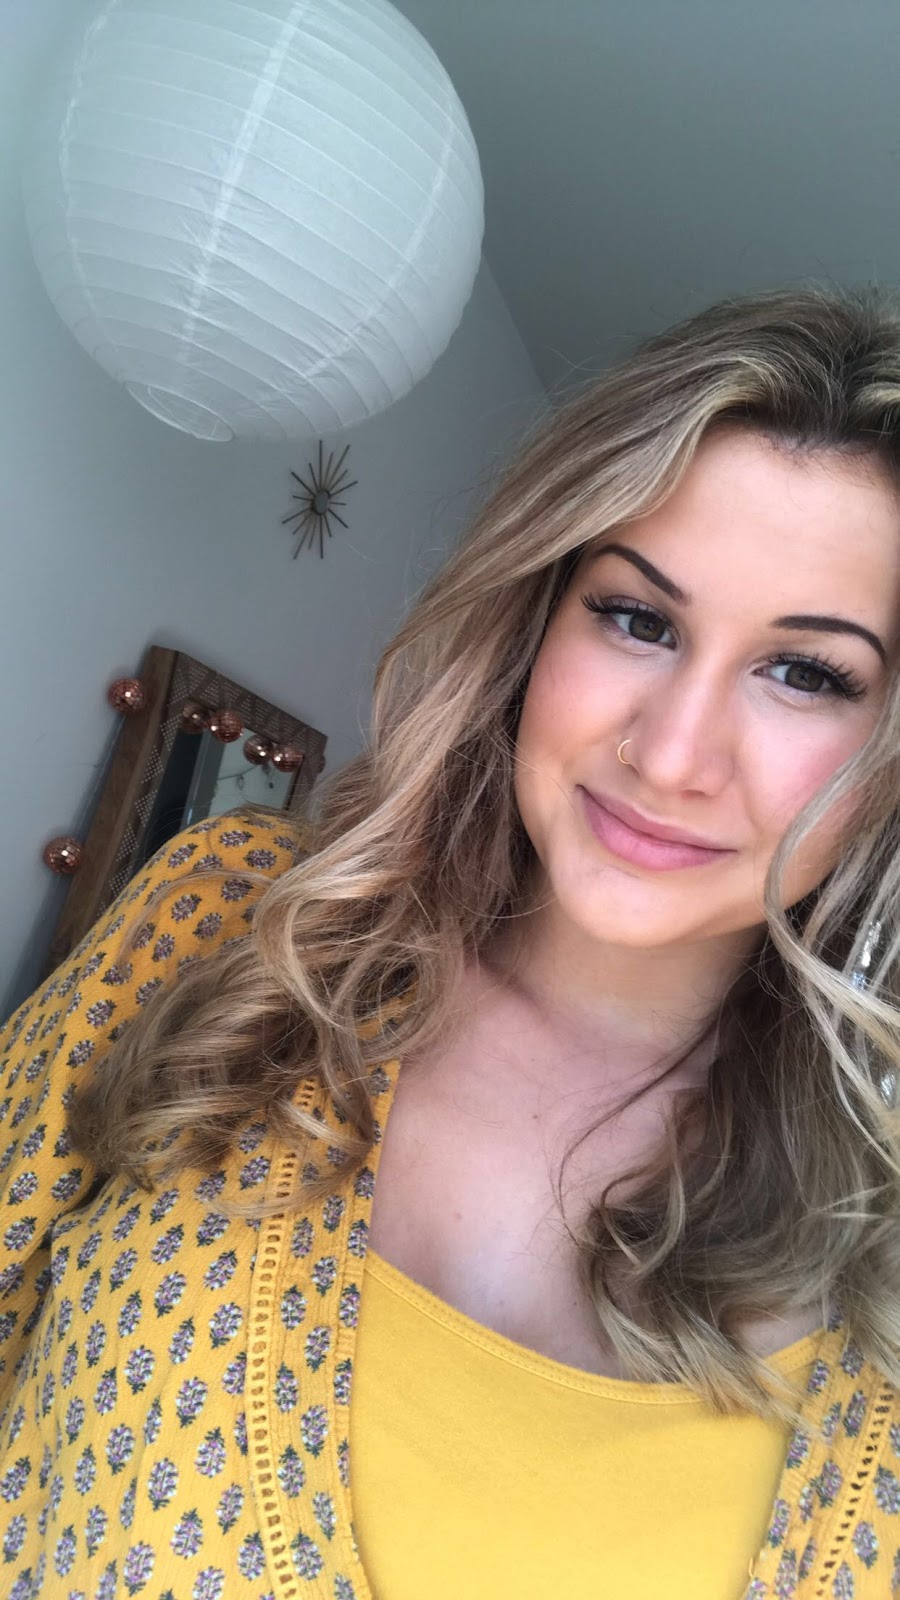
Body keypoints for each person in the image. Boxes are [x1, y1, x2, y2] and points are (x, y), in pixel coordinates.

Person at [3, 284, 900, 1600]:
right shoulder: (228, 923)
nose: (671, 754)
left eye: (807, 673)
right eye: (637, 618)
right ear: (534, 623)